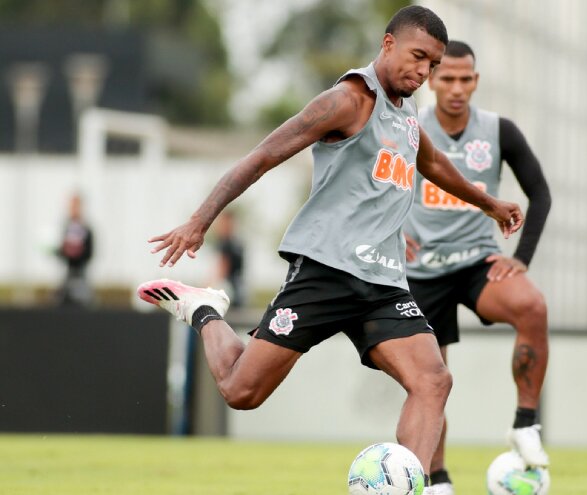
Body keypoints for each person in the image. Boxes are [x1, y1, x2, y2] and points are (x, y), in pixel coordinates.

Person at [135, 7, 523, 492]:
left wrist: (490, 204)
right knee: (241, 391)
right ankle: (205, 311)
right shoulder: (347, 100)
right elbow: (262, 156)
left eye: (433, 65)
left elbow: (437, 165)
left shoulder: (405, 117)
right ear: (387, 45)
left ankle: (412, 485)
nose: (424, 73)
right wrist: (200, 221)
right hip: (325, 271)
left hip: (383, 283)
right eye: (417, 57)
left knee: (433, 380)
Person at [403, 41, 552, 494]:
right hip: (420, 270)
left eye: (465, 79)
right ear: (430, 80)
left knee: (533, 307)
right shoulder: (408, 126)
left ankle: (525, 424)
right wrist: (392, 234)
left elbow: (540, 194)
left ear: (476, 81)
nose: (456, 88)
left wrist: (520, 259)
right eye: (446, 78)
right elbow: (371, 184)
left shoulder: (498, 130)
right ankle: (437, 480)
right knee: (431, 381)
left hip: (475, 263)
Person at [55, 192, 94, 307]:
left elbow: (90, 253)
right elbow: (59, 252)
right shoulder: (65, 228)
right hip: (67, 275)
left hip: (81, 276)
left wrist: (78, 251)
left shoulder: (86, 229)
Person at [212, 210, 246, 308]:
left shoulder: (225, 244)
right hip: (238, 290)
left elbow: (222, 271)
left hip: (227, 291)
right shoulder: (237, 243)